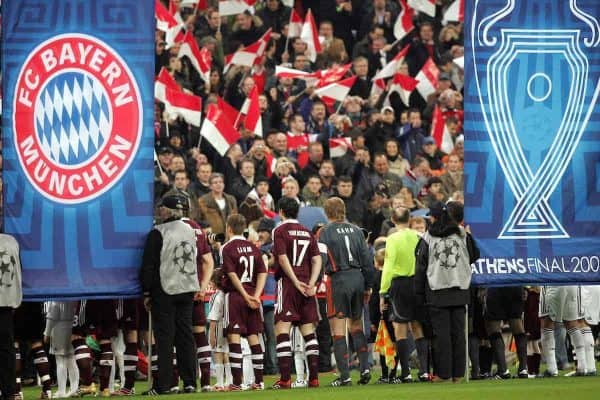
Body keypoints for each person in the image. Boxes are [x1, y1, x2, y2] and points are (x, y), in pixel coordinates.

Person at [140, 195, 204, 395]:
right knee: (185, 336)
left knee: (165, 338)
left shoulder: (157, 233)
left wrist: (147, 291)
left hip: (164, 290)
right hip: (186, 289)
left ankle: (164, 384)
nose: (160, 211)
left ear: (166, 211)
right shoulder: (190, 230)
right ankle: (190, 382)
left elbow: (149, 265)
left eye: (162, 208)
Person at [414, 201, 480, 382]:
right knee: (459, 334)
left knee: (441, 335)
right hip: (460, 289)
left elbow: (420, 267)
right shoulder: (462, 235)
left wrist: (418, 293)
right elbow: (475, 255)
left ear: (433, 218)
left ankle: (443, 374)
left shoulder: (427, 238)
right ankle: (458, 374)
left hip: (437, 290)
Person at [318, 197, 375, 386]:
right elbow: (367, 260)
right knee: (357, 325)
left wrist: (316, 280)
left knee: (338, 328)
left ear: (327, 213)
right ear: (343, 210)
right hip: (357, 278)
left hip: (338, 279)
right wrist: (368, 285)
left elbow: (322, 258)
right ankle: (365, 367)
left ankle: (345, 377)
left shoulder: (324, 232)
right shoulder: (357, 231)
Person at [271, 198, 322, 389]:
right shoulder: (307, 232)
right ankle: (314, 378)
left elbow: (283, 259)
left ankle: (285, 379)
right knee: (308, 330)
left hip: (289, 284)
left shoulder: (280, 230)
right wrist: (311, 283)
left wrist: (295, 282)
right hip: (307, 285)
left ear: (281, 211)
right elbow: (317, 260)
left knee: (282, 328)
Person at [380, 207, 429, 382]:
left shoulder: (392, 239)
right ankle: (424, 370)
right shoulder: (418, 237)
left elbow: (388, 266)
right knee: (417, 327)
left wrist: (383, 292)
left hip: (399, 285)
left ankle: (406, 373)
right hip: (417, 283)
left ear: (392, 219)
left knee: (400, 328)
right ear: (409, 220)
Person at [220, 214, 268, 391]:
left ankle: (237, 382)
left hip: (235, 297)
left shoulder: (227, 248)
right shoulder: (253, 248)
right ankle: (259, 381)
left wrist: (245, 296)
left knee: (234, 336)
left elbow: (231, 274)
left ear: (229, 229)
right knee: (253, 336)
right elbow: (263, 271)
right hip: (253, 296)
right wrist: (255, 295)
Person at [0, 233, 22, 400]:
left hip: (5, 304)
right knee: (7, 350)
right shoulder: (11, 241)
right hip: (6, 303)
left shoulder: (10, 241)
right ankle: (9, 392)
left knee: (7, 350)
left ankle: (9, 392)